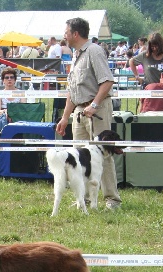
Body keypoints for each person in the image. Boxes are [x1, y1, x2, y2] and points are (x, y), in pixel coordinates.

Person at [56, 17, 121, 210]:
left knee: (104, 154)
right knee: (79, 157)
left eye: (66, 32)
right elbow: (72, 91)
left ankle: (112, 199)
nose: (64, 36)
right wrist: (65, 117)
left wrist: (94, 104)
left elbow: (107, 81)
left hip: (97, 111)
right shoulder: (75, 55)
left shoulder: (94, 51)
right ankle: (82, 199)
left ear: (75, 34)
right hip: (79, 112)